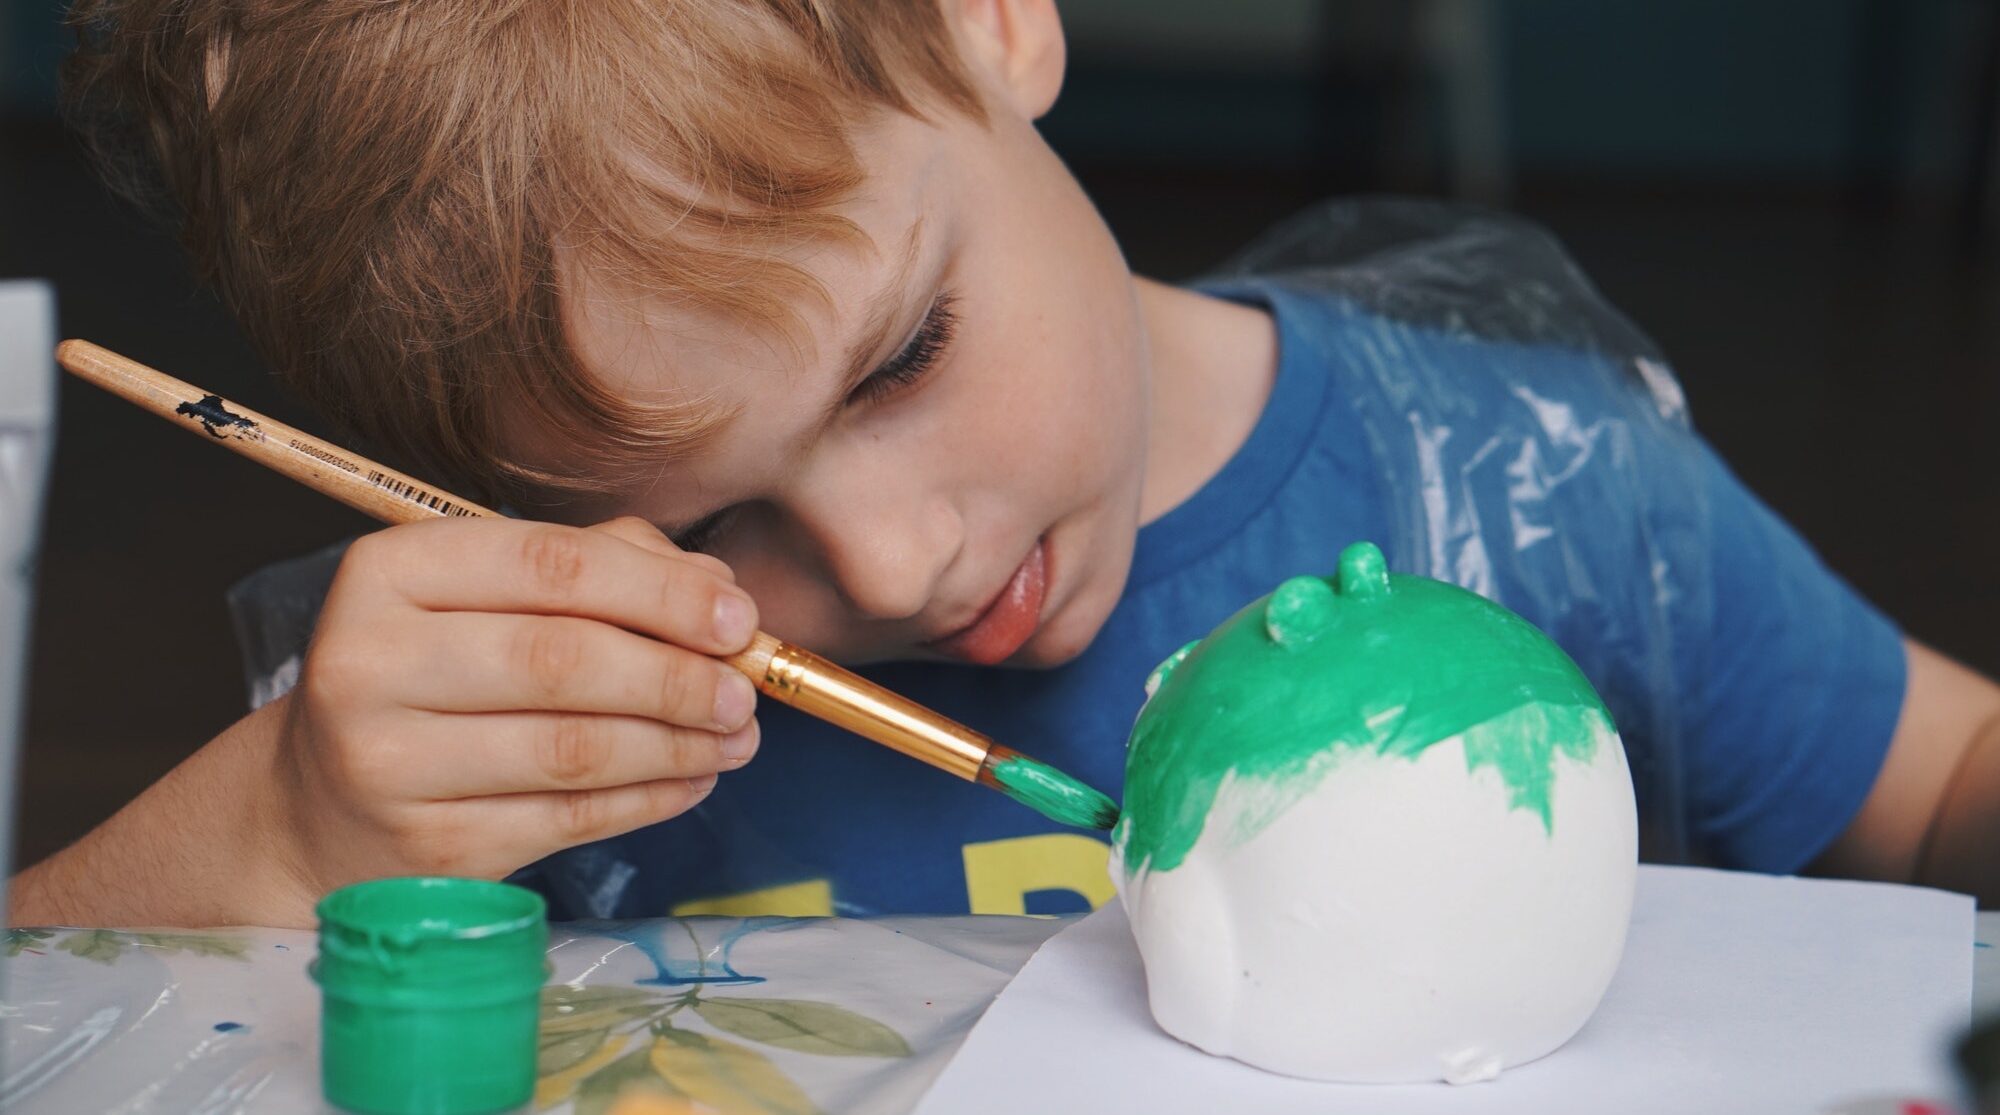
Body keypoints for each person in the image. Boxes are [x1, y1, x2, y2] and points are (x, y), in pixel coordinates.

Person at [15, 0, 1997, 928]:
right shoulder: (521, 715)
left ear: (991, 25)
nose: (884, 570)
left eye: (900, 359)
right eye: (701, 518)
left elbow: (1934, 795)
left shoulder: (1533, 486)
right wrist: (286, 834)